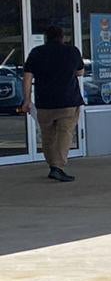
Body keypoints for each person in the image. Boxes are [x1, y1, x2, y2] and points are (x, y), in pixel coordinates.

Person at [20, 24, 84, 182]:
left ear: (46, 38)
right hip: (68, 101)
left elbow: (27, 77)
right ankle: (58, 167)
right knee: (65, 134)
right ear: (62, 37)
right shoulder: (72, 51)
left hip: (44, 103)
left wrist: (27, 100)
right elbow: (80, 71)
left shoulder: (37, 52)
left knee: (48, 136)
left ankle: (52, 165)